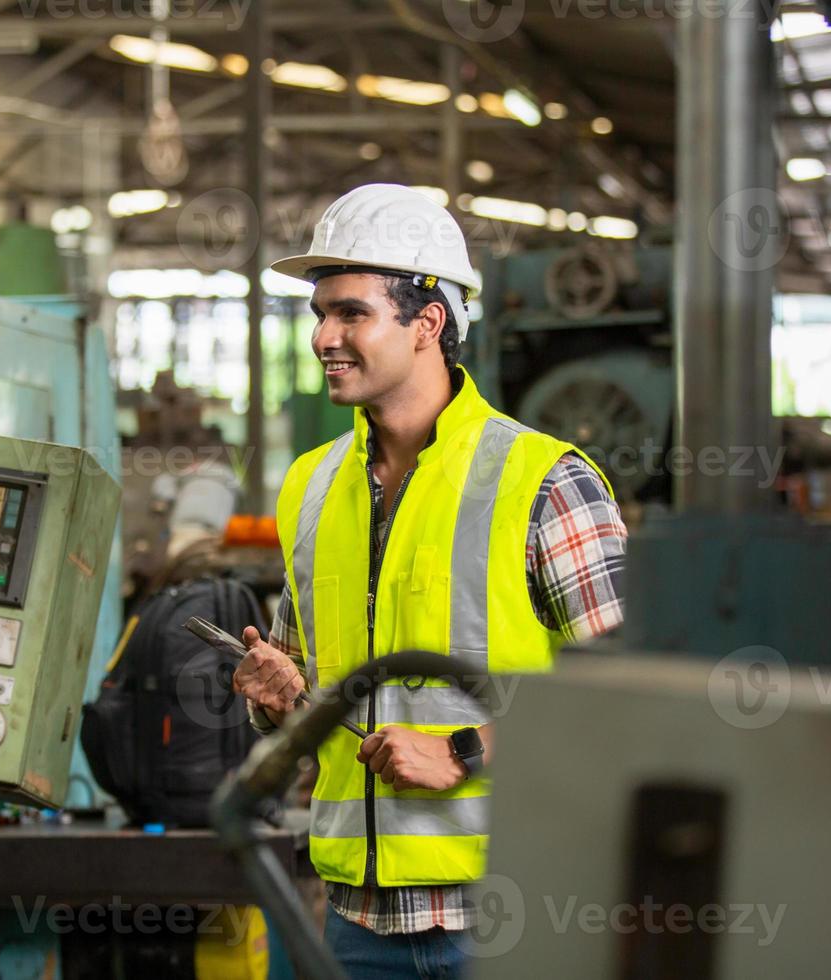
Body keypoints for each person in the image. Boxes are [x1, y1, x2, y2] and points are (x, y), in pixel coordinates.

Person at [232, 184, 629, 979]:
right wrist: (276, 698)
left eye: (351, 314)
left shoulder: (542, 481)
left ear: (428, 323)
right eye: (320, 315)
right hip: (353, 920)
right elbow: (309, 685)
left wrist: (465, 752)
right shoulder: (310, 486)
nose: (324, 338)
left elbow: (632, 703)